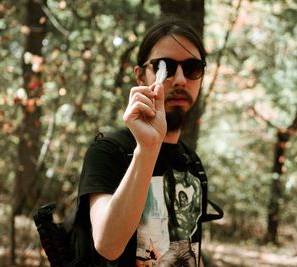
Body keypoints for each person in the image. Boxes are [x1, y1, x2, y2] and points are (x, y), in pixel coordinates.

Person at [77, 16, 208, 267]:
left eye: (192, 68)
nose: (180, 79)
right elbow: (107, 245)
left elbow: (191, 246)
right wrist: (148, 148)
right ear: (140, 76)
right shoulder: (108, 151)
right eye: (165, 66)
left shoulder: (191, 161)